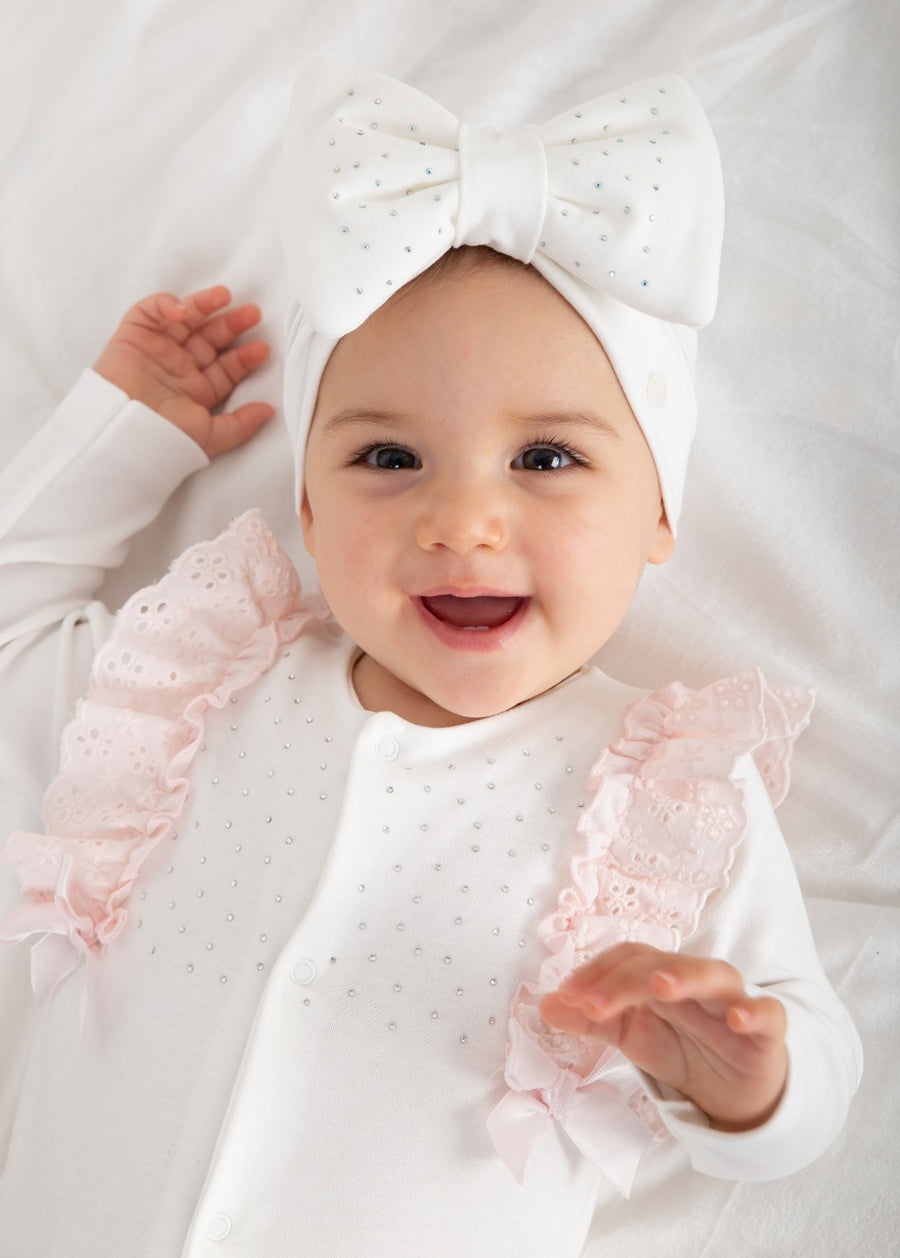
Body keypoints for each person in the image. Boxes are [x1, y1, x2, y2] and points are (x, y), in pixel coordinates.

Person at [0, 60, 861, 1258]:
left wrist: (747, 1075)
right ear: (305, 506)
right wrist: (122, 434)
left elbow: (815, 1071)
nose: (462, 520)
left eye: (548, 459)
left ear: (659, 511)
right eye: (389, 458)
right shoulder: (187, 694)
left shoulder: (666, 800)